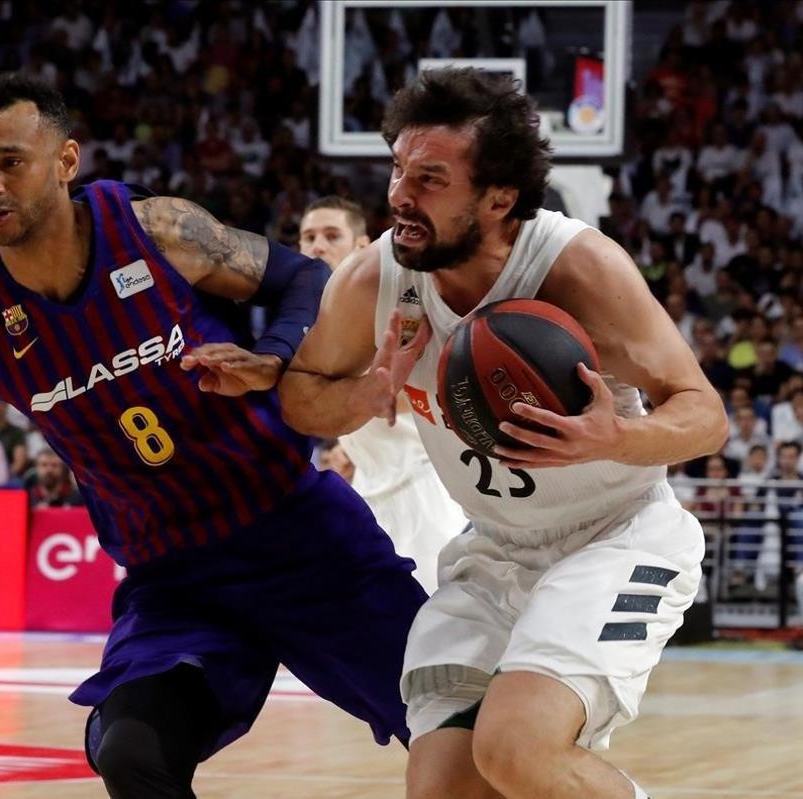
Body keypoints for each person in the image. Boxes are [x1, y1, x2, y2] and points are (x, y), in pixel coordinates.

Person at [0, 73, 426, 798]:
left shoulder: (158, 231)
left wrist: (277, 357)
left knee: (462, 724)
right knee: (131, 747)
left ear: (66, 162)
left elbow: (298, 277)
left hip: (298, 533)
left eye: (10, 161)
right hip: (174, 579)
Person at [278, 68, 727, 799]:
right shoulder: (375, 278)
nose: (399, 196)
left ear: (498, 198)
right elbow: (301, 398)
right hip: (495, 550)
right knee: (444, 788)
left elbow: (705, 414)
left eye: (429, 179)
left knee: (517, 748)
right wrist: (367, 392)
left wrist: (612, 437)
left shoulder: (578, 268)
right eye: (398, 169)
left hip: (615, 535)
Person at [299, 196, 465, 592]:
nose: (317, 245)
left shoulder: (395, 301)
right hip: (366, 491)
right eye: (308, 237)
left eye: (330, 235)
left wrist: (347, 400)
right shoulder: (307, 315)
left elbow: (417, 387)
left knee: (438, 632)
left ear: (361, 246)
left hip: (422, 486)